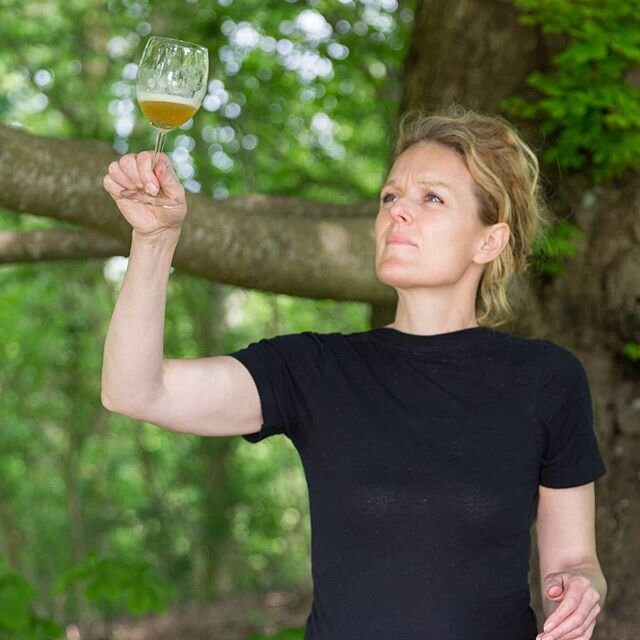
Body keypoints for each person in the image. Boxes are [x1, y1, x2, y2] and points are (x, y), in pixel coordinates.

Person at [102, 107, 607, 640]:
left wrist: (579, 587)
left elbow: (575, 560)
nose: (398, 214)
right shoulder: (316, 370)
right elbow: (135, 391)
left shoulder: (546, 379)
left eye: (431, 198)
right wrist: (154, 241)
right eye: (390, 197)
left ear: (490, 241)